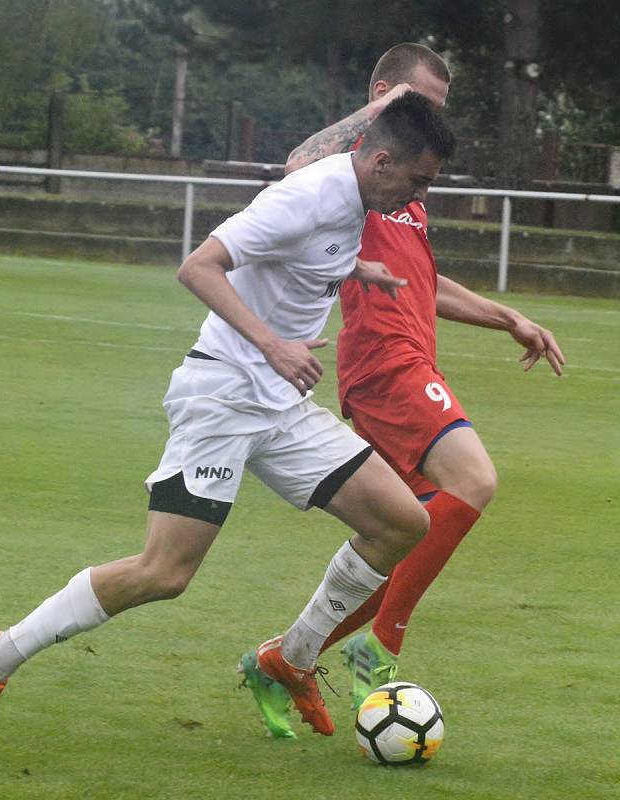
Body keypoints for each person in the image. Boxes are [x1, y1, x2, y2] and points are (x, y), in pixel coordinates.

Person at [0, 93, 458, 746]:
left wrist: (357, 269)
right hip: (223, 394)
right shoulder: (307, 194)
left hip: (281, 404)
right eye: (417, 181)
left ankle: (290, 659)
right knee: (165, 572)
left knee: (401, 523)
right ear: (382, 161)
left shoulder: (358, 199)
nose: (418, 198)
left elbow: (301, 255)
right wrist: (274, 344)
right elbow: (199, 266)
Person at [239, 43, 566, 739]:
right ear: (385, 96)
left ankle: (283, 658)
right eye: (415, 106)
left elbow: (426, 282)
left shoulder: (405, 192)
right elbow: (295, 162)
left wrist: (509, 317)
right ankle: (381, 644)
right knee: (473, 479)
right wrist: (378, 113)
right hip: (383, 362)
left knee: (398, 540)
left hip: (411, 357)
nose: (426, 125)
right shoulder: (350, 172)